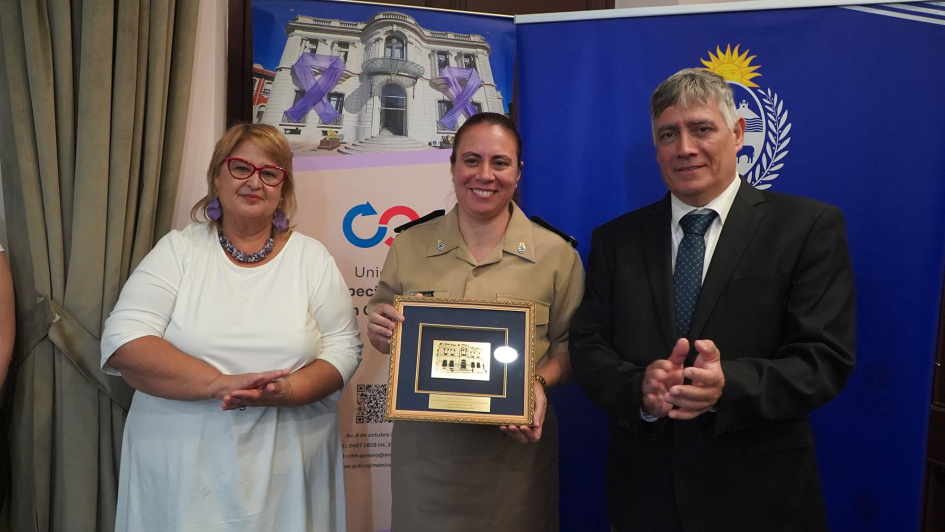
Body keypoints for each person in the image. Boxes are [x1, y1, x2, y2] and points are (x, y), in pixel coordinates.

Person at [569, 68, 855, 532]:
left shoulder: (806, 228)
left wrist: (728, 385)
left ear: (738, 133)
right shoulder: (616, 239)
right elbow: (588, 344)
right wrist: (640, 389)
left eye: (701, 128)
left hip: (762, 499)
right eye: (668, 134)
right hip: (645, 496)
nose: (684, 147)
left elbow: (825, 358)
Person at [100, 123, 362, 532]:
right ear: (217, 177)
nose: (254, 181)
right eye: (241, 167)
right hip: (182, 468)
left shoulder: (312, 258)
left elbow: (345, 349)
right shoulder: (179, 250)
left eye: (270, 173)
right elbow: (124, 342)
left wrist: (288, 391)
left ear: (283, 189)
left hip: (288, 464)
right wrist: (220, 384)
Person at [366, 112, 584, 532]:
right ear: (452, 167)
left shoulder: (557, 255)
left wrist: (536, 384)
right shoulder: (409, 245)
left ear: (518, 172)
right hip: (426, 463)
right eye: (471, 160)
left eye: (500, 162)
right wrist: (380, 329)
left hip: (514, 464)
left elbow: (571, 347)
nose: (484, 175)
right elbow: (385, 327)